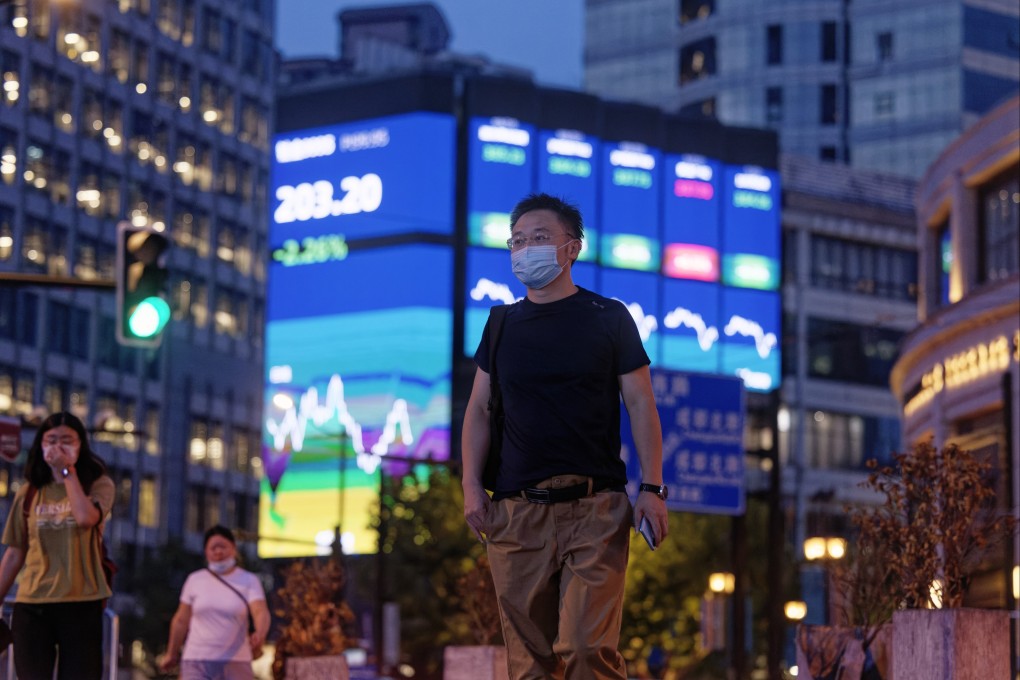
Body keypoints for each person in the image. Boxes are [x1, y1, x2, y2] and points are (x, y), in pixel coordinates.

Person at [462, 193, 669, 679]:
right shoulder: (501, 325)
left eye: (538, 238)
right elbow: (477, 409)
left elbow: (641, 403)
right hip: (515, 514)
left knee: (583, 649)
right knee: (529, 666)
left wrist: (653, 488)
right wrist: (471, 485)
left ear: (571, 248)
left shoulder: (609, 317)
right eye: (516, 241)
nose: (524, 249)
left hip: (595, 509)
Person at [0, 411, 115, 680]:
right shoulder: (29, 492)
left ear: (81, 445)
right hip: (32, 603)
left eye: (67, 440)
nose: (58, 446)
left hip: (81, 601)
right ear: (40, 445)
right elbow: (15, 553)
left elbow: (87, 518)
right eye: (51, 440)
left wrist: (67, 471)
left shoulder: (98, 484)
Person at [160, 525, 270, 680]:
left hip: (235, 661)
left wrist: (260, 633)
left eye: (223, 546)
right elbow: (181, 620)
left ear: (233, 549)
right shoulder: (195, 580)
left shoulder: (249, 580)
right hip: (197, 660)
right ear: (206, 552)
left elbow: (260, 611)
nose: (218, 551)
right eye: (213, 547)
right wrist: (171, 653)